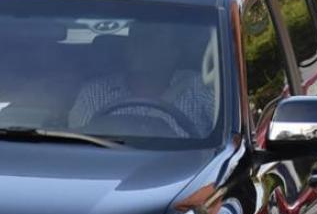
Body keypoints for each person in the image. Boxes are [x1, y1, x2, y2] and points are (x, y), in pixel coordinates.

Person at [69, 22, 214, 136]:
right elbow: (77, 147)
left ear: (174, 53)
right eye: (134, 37)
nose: (138, 44)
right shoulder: (94, 94)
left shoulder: (200, 86)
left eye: (150, 38)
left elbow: (230, 138)